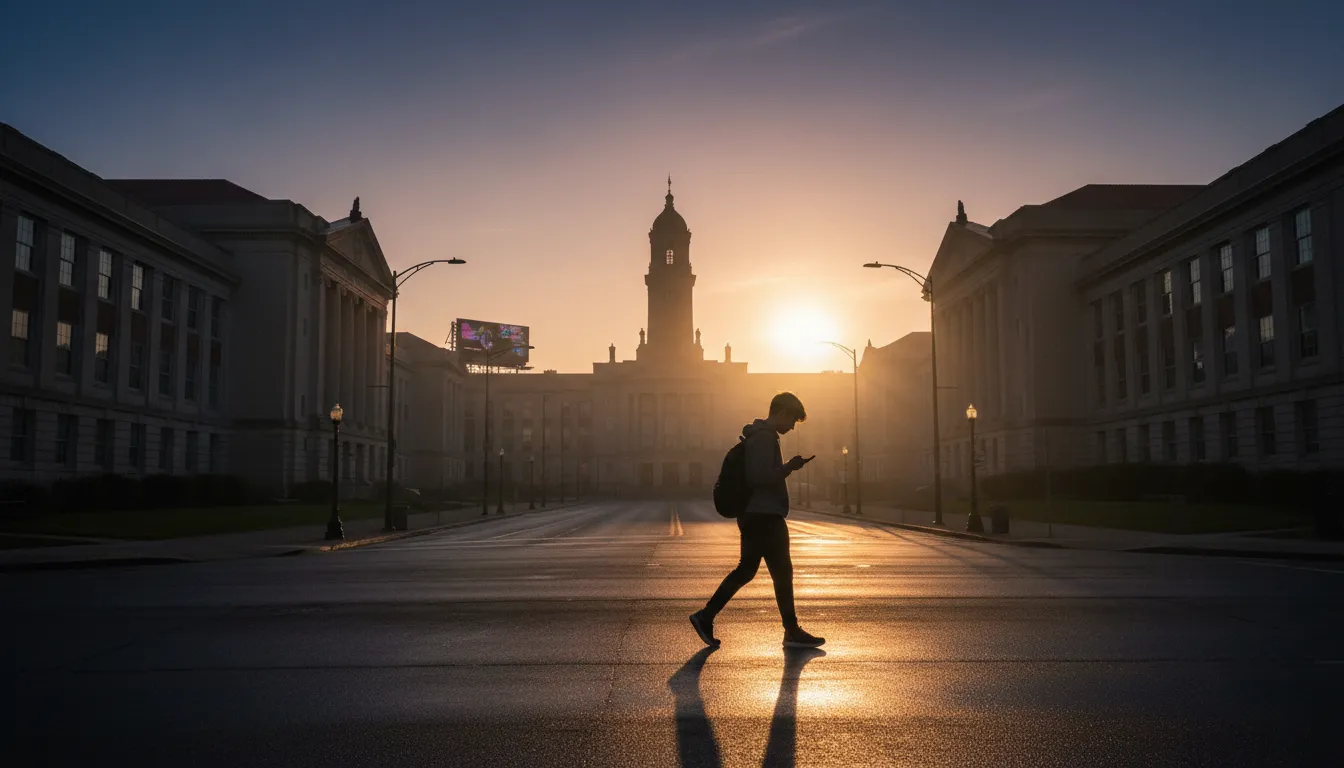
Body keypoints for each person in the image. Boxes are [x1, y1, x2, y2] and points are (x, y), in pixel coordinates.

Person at [690, 392, 825, 649]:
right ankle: (791, 630)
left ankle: (706, 616)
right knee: (781, 572)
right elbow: (758, 477)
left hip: (755, 513)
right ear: (782, 412)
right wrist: (789, 467)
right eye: (793, 420)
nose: (792, 427)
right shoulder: (764, 438)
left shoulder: (759, 436)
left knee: (750, 570)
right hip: (763, 514)